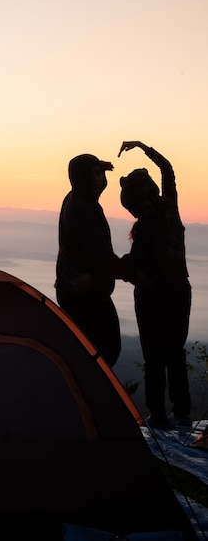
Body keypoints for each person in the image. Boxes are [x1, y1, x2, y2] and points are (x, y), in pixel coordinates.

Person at [118, 141, 192, 429]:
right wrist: (142, 147)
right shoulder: (169, 208)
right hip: (179, 290)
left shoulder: (144, 225)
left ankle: (157, 416)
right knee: (175, 352)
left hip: (151, 295)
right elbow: (168, 170)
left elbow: (133, 264)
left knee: (153, 356)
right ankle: (183, 414)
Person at [55, 153, 123, 366]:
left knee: (89, 354)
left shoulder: (75, 199)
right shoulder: (83, 210)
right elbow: (101, 256)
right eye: (90, 175)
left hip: (72, 289)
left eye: (98, 174)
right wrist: (135, 273)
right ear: (78, 179)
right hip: (85, 294)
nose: (97, 179)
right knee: (103, 353)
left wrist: (99, 167)